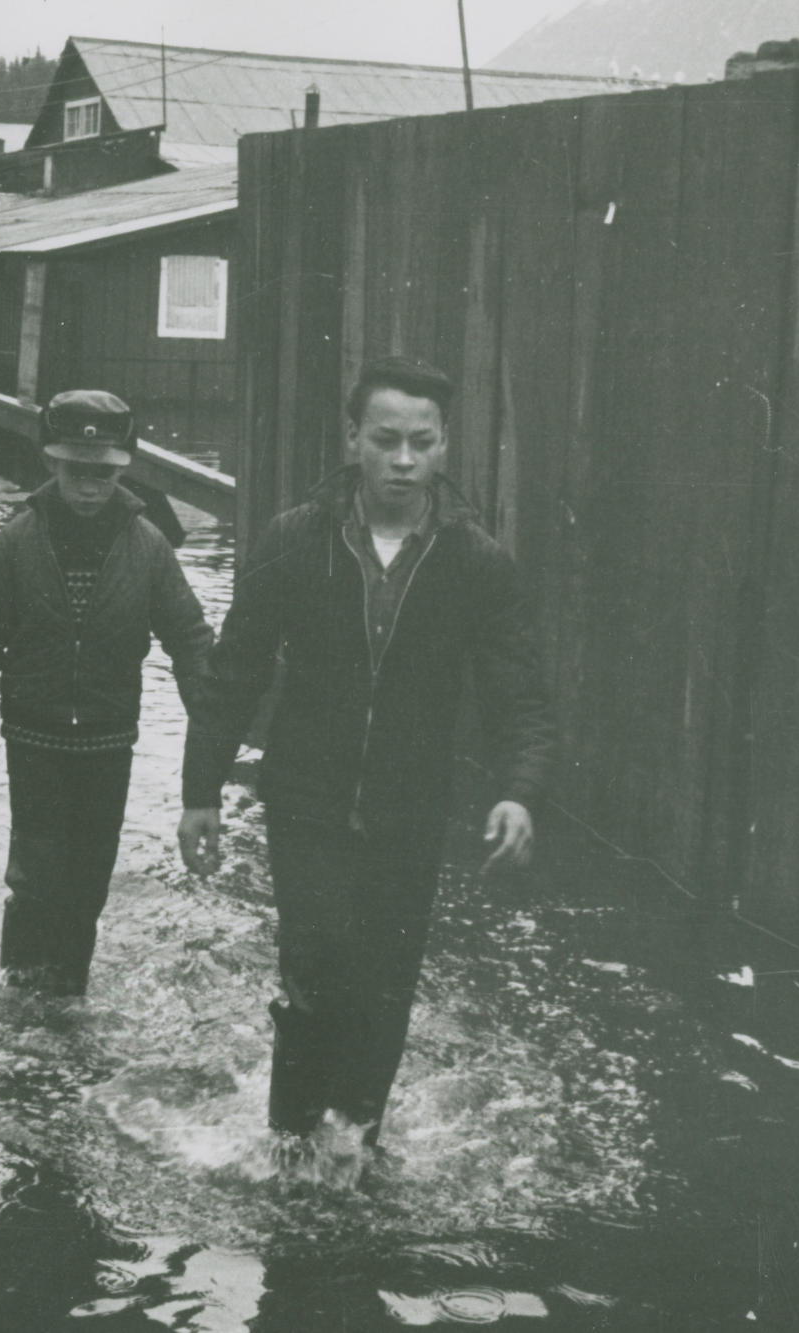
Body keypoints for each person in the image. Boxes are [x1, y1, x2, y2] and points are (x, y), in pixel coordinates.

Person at [176, 355, 554, 1151]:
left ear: (446, 445)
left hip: (410, 808)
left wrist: (519, 789)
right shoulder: (295, 540)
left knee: (385, 985)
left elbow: (519, 695)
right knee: (315, 961)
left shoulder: (475, 562)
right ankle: (289, 1140)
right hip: (305, 799)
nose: (405, 461)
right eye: (387, 439)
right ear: (354, 438)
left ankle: (355, 1144)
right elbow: (234, 671)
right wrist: (200, 789)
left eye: (423, 441)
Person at [0, 389, 214, 997]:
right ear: (52, 464)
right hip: (34, 739)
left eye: (104, 473)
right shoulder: (17, 541)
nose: (91, 486)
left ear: (122, 469)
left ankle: (67, 997)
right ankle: (18, 995)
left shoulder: (148, 546)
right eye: (77, 471)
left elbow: (192, 643)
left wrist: (214, 741)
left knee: (89, 880)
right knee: (35, 878)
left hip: (108, 741)